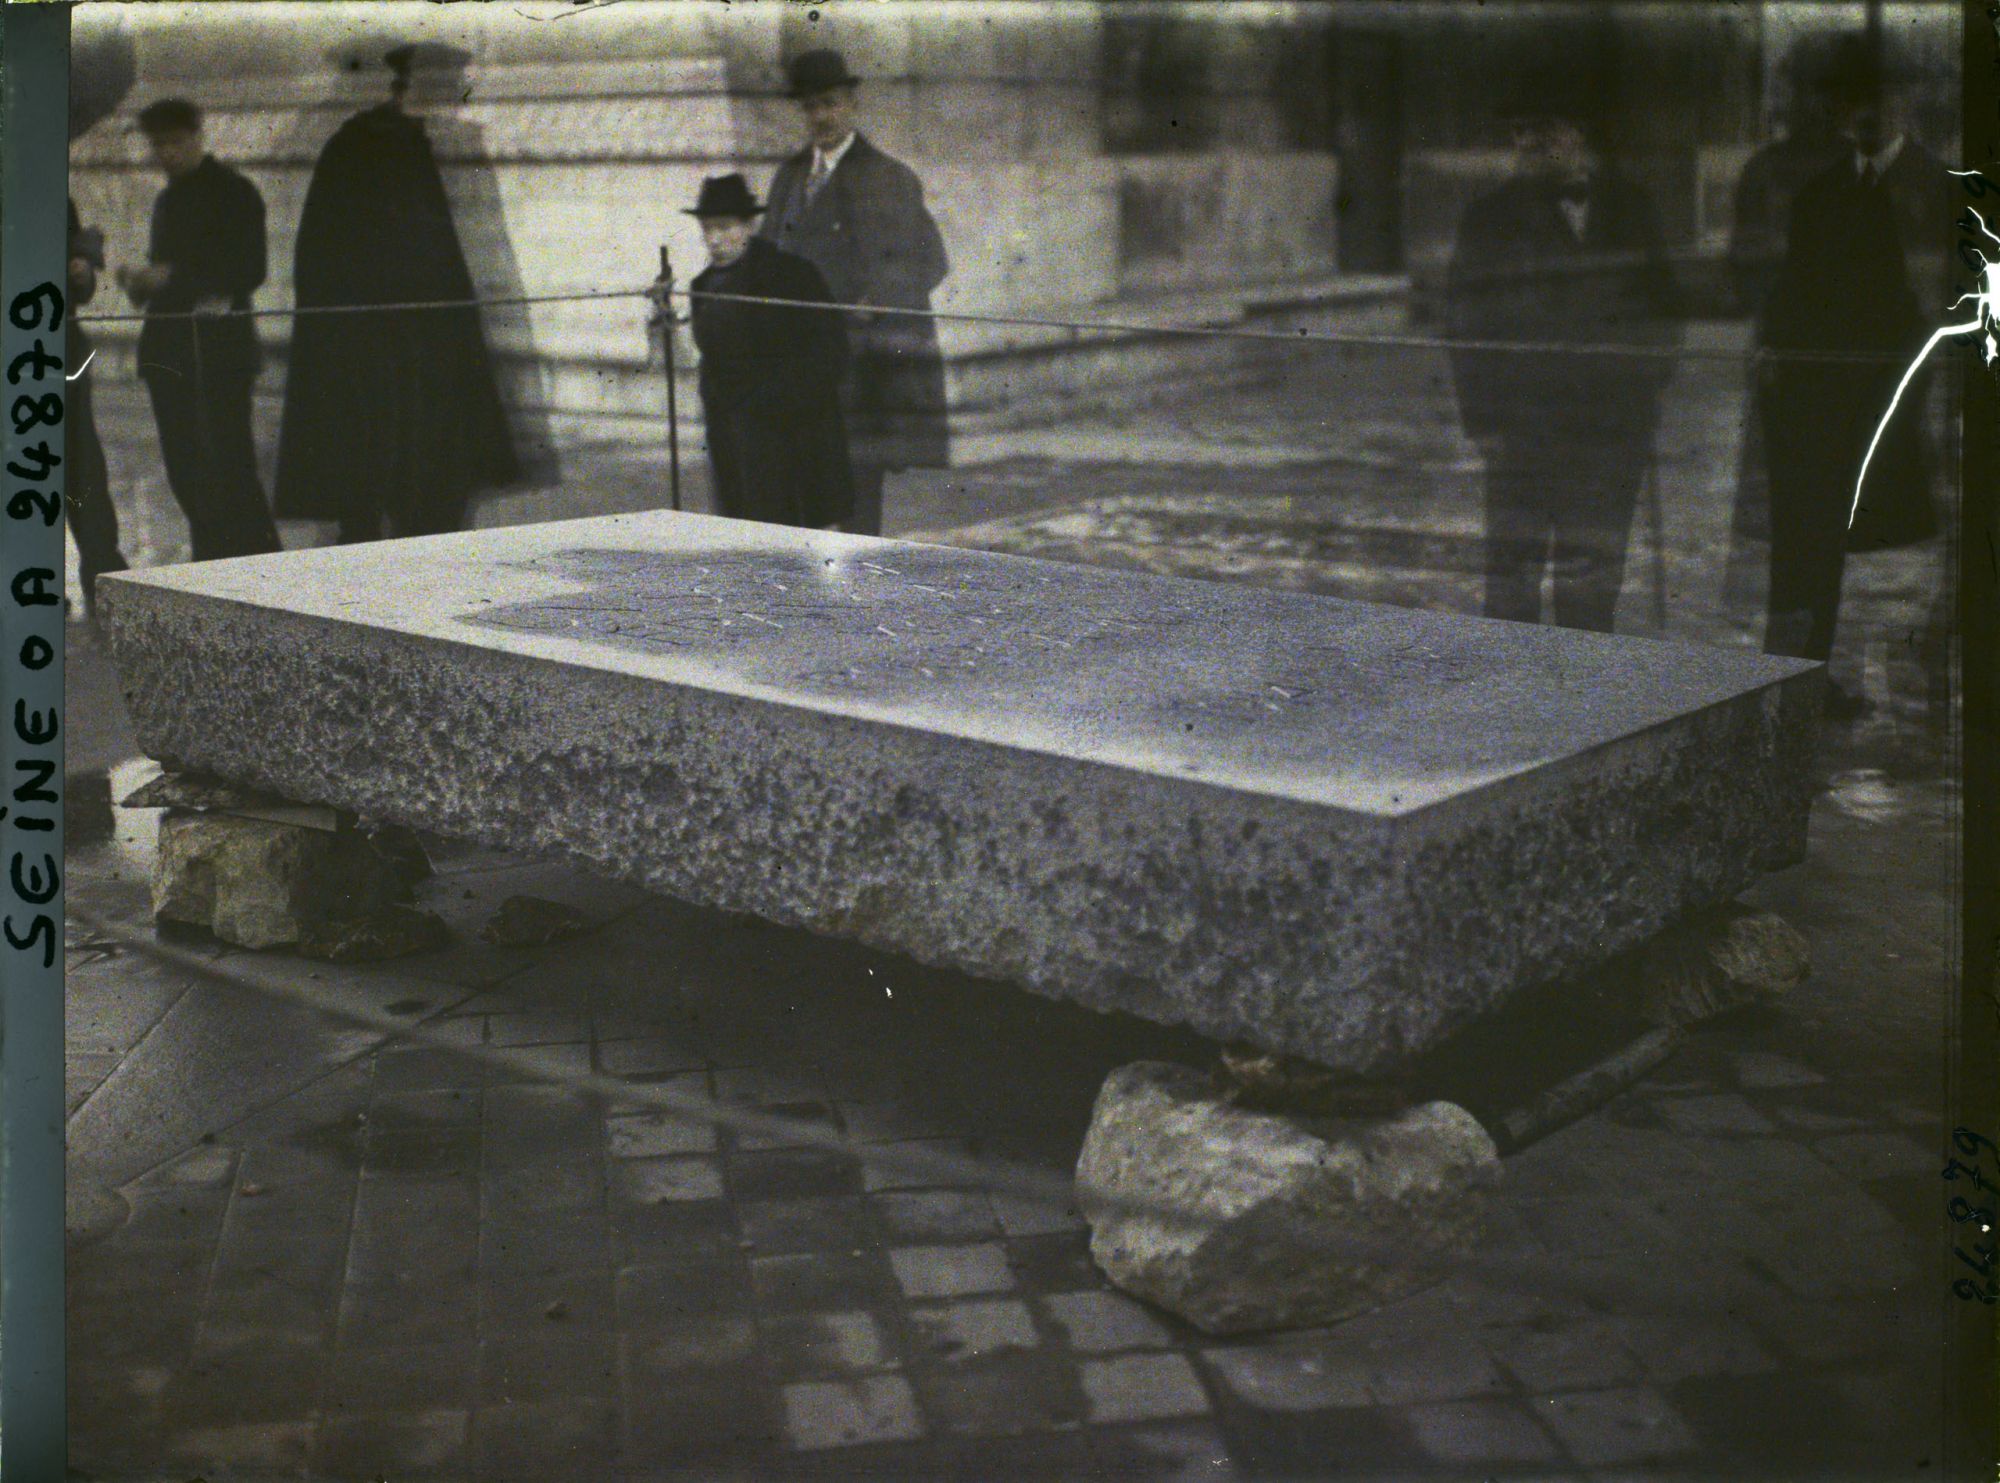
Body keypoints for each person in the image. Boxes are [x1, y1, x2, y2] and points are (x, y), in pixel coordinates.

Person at [1444, 78, 1680, 633]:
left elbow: (1664, 307)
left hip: (1610, 430)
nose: (1525, 141)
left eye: (1541, 128)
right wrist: (1483, 422)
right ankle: (1512, 705)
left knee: (1594, 581)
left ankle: (1583, 706)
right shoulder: (1489, 217)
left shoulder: (1633, 208)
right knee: (1511, 581)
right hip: (1522, 430)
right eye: (1518, 130)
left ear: (1578, 132)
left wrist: (1645, 388)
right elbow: (1465, 326)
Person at [1757, 37, 1950, 701]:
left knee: (1937, 548)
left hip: (1910, 397)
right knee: (1808, 543)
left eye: (1879, 101)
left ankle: (1944, 681)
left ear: (1905, 103)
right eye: (1850, 104)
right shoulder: (1821, 193)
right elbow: (1790, 293)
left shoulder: (1940, 190)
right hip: (1822, 403)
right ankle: (1801, 676)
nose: (1864, 116)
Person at [274, 42, 518, 543]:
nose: (451, 103)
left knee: (434, 473)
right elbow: (328, 251)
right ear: (411, 86)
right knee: (370, 472)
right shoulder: (359, 144)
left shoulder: (422, 141)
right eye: (443, 91)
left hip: (427, 338)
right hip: (371, 344)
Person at [759, 48, 950, 537]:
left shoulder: (887, 177)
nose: (820, 117)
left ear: (850, 104)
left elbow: (928, 261)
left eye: (829, 103)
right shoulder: (789, 177)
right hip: (795, 364)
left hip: (857, 369)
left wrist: (874, 302)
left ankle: (859, 601)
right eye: (809, 107)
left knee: (857, 500)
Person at [116, 98, 280, 563]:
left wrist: (170, 277)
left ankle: (260, 567)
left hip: (218, 353)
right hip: (169, 350)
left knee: (229, 467)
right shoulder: (168, 198)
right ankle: (212, 566)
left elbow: (250, 268)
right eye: (158, 145)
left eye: (175, 141)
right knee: (186, 470)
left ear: (197, 136)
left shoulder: (235, 191)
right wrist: (141, 282)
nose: (166, 152)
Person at [671, 174, 853, 530]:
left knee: (793, 541)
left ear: (749, 225)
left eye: (724, 227)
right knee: (746, 534)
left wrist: (780, 400)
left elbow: (831, 352)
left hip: (791, 435)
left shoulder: (790, 276)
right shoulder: (703, 286)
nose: (714, 239)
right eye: (707, 229)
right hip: (733, 438)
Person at [67, 197, 129, 612]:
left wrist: (81, 274)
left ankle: (103, 573)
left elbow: (81, 288)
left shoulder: (53, 197)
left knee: (81, 464)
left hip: (62, 354)